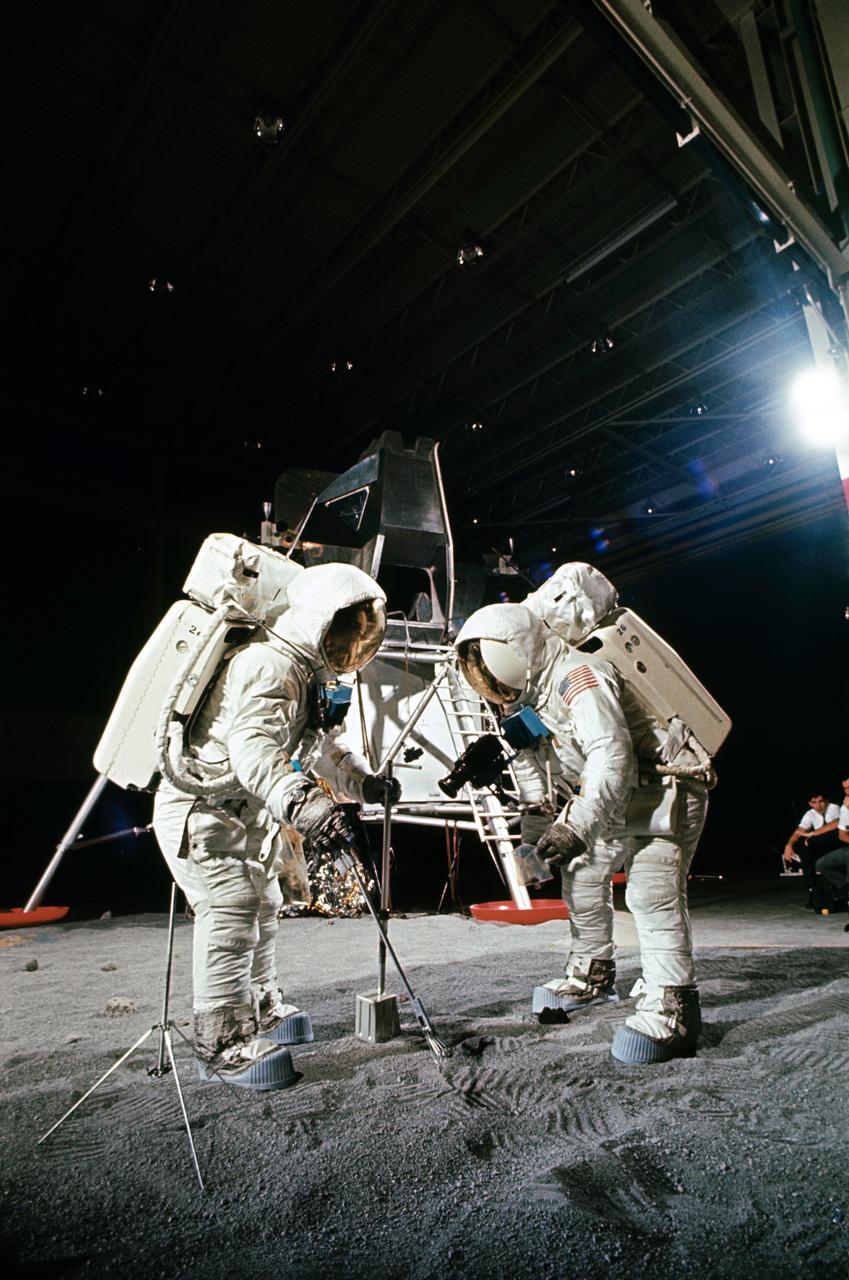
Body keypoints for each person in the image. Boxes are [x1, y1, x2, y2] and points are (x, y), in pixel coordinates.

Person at [454, 565, 716, 1065]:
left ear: (521, 650)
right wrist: (538, 839)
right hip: (619, 795)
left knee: (651, 890)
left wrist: (576, 824)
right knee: (583, 872)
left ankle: (675, 1006)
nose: (492, 683)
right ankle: (592, 974)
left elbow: (610, 752)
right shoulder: (535, 695)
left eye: (494, 668)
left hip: (667, 785)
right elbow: (538, 773)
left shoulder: (578, 676)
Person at [153, 562, 398, 1090]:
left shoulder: (305, 674)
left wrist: (364, 783)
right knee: (232, 909)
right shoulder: (268, 664)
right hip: (205, 811)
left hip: (246, 813)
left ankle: (262, 1009)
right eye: (346, 631)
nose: (352, 645)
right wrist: (301, 801)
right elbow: (253, 749)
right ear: (318, 618)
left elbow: (322, 749)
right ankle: (221, 1043)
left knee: (264, 903)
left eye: (361, 634)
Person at [782, 792, 841, 903]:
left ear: (826, 801)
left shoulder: (833, 808)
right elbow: (799, 831)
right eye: (814, 802)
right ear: (810, 803)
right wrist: (788, 845)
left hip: (835, 844)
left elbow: (836, 823)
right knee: (806, 853)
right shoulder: (810, 814)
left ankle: (837, 893)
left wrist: (813, 834)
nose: (818, 806)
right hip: (821, 846)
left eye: (821, 801)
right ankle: (813, 892)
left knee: (811, 842)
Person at [814, 776, 849, 908]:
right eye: (845, 788)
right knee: (822, 864)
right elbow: (842, 835)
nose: (847, 791)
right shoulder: (845, 808)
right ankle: (846, 889)